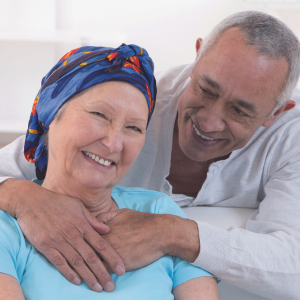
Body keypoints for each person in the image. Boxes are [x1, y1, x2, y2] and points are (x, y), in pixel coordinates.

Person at [0, 10, 300, 300]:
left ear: (275, 113)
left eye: (239, 110)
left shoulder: (290, 141)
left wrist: (173, 232)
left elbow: (294, 266)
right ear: (197, 57)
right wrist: (20, 195)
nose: (209, 122)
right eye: (207, 90)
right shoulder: (130, 97)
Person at [0, 44, 219, 300]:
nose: (114, 144)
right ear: (49, 114)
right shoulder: (8, 226)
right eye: (99, 114)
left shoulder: (160, 213)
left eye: (134, 128)